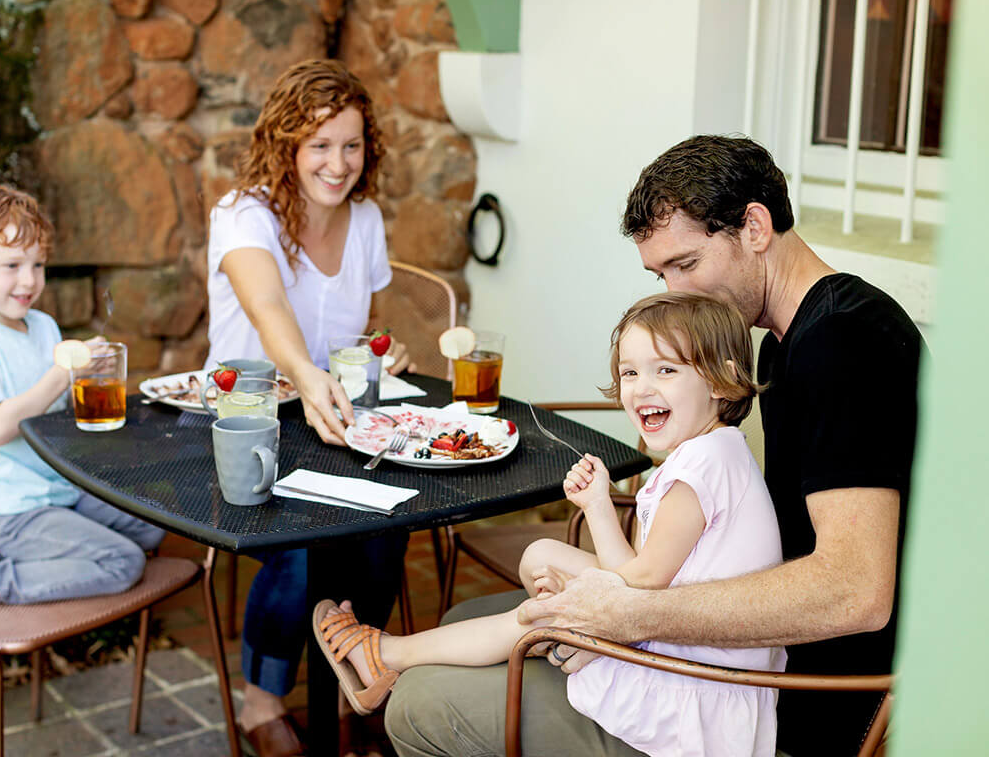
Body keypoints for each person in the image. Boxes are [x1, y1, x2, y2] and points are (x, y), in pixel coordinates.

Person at [385, 135, 921, 757]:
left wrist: (628, 615)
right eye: (659, 273)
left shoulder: (846, 343)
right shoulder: (785, 341)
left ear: (754, 226)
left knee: (419, 704)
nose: (672, 293)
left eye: (686, 265)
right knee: (461, 626)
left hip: (775, 703)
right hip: (739, 662)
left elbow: (856, 592)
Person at [316, 292, 786, 757]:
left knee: (532, 617)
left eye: (666, 369)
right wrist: (598, 508)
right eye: (630, 372)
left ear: (723, 381)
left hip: (691, 693)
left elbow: (640, 588)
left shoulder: (698, 470)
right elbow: (643, 577)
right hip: (682, 640)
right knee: (542, 554)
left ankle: (388, 656)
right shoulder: (712, 452)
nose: (642, 387)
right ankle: (572, 641)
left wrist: (594, 535)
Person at [204, 59, 409, 757]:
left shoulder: (367, 219)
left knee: (388, 522)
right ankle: (261, 699)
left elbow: (351, 332)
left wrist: (373, 358)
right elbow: (267, 310)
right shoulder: (242, 216)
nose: (338, 162)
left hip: (333, 415)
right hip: (246, 418)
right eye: (319, 144)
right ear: (287, 144)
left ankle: (359, 680)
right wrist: (308, 374)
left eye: (351, 145)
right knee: (298, 547)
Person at [0, 184, 164, 606]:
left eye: (38, 265)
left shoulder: (42, 326)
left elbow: (53, 408)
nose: (29, 280)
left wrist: (88, 387)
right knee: (121, 562)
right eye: (12, 265)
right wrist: (62, 374)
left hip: (57, 491)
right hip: (4, 508)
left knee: (153, 524)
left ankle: (20, 558)